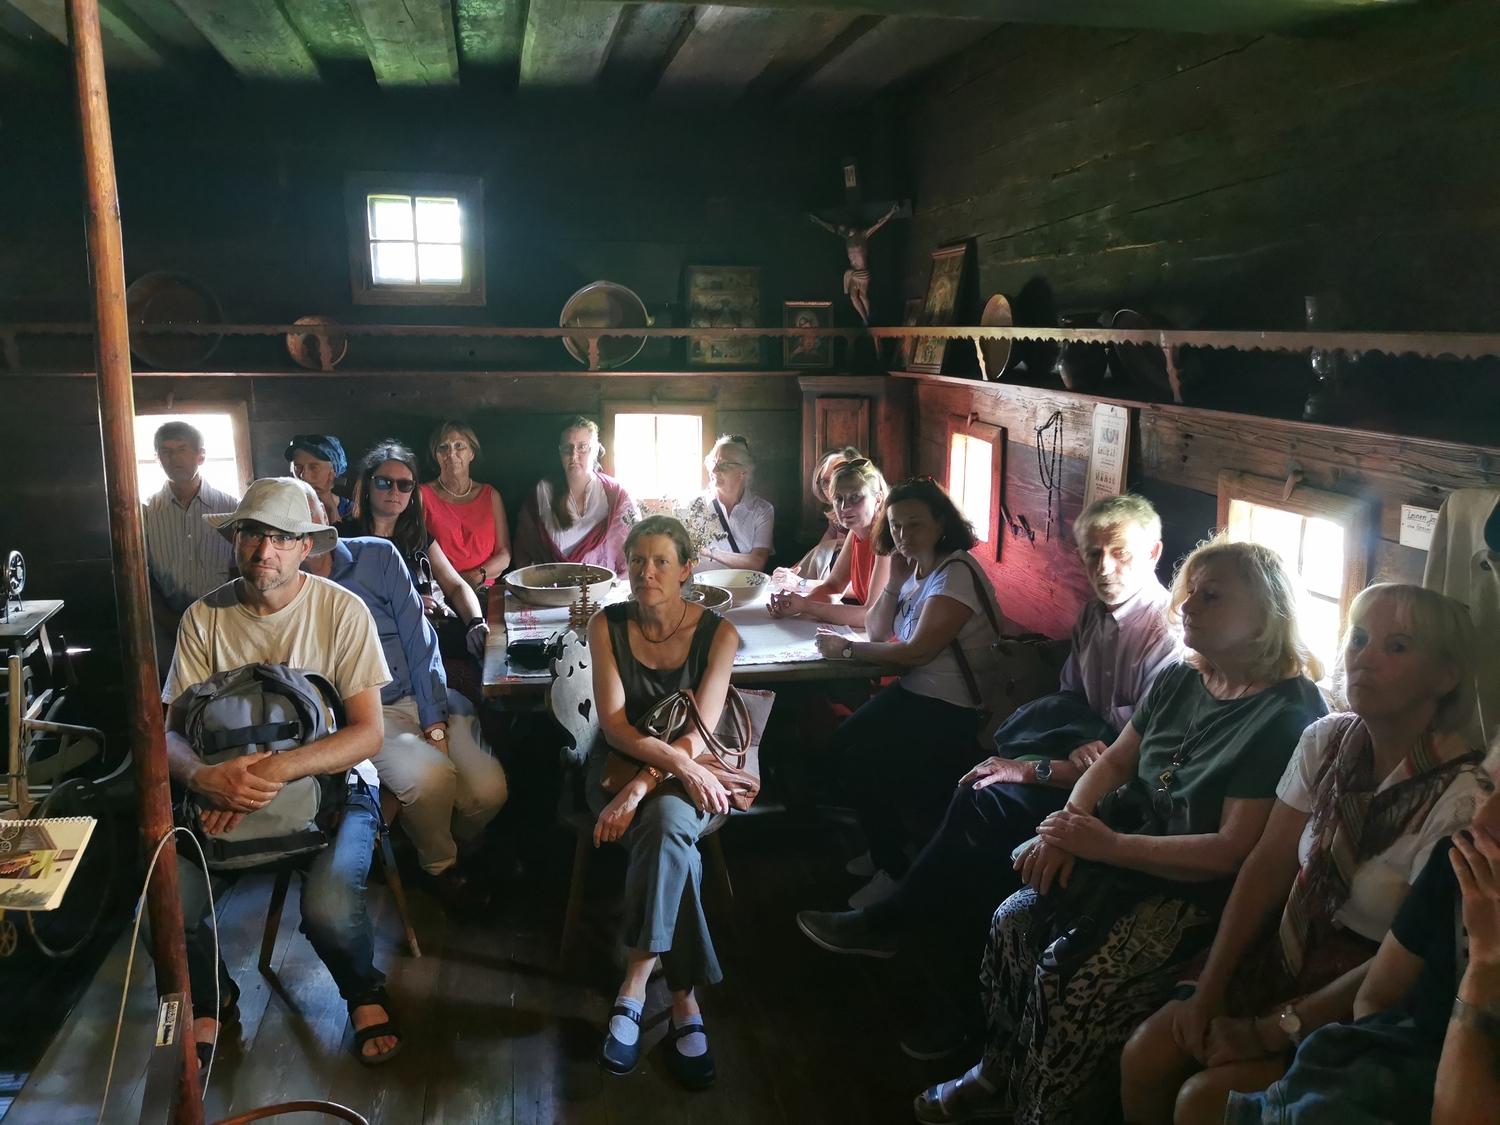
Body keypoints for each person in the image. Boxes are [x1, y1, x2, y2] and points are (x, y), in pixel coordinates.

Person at [914, 536, 1328, 1125]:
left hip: (1193, 889)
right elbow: (1112, 763)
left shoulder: (1287, 715)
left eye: (1211, 597)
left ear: (1266, 615)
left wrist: (1106, 845)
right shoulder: (1182, 677)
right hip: (1119, 847)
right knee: (1012, 923)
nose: (1188, 606)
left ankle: (1045, 1109)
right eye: (1190, 592)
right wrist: (1065, 829)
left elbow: (1231, 852)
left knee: (1070, 978)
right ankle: (997, 1068)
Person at [795, 493, 1183, 1059]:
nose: (1104, 567)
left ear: (1153, 553)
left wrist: (1043, 764)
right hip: (1076, 771)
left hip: (1124, 801)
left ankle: (925, 962)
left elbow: (1135, 765)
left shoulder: (1167, 639)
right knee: (969, 794)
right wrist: (1071, 745)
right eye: (1092, 554)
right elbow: (1069, 703)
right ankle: (913, 938)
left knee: (983, 822)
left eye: (1119, 553)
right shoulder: (1095, 616)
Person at [1120, 583, 1491, 1125]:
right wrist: (1209, 988)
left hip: (1363, 988)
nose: (1365, 658)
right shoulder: (1327, 740)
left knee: (1202, 1101)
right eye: (1358, 639)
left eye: (1396, 647)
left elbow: (1400, 964)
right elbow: (1267, 869)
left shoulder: (1462, 798)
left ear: (1445, 676)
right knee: (1145, 1055)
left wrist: (1270, 1031)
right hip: (1287, 944)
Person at [159, 477, 399, 1066]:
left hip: (332, 790)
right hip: (222, 793)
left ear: (305, 546)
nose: (264, 551)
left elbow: (368, 733)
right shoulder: (203, 618)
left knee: (328, 906)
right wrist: (203, 779)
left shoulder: (341, 610)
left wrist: (270, 772)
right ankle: (213, 997)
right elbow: (169, 734)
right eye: (252, 534)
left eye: (283, 538)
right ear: (235, 538)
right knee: (165, 902)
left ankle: (362, 992)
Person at [1219, 779, 1500, 1125]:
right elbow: (1374, 995)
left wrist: (1485, 965)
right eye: (1489, 786)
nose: (1482, 817)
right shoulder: (1456, 861)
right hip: (1399, 1067)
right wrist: (1375, 1076)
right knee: (1199, 1101)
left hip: (1457, 1099)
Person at [294, 480, 508, 916]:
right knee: (432, 778)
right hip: (367, 715)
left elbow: (420, 640)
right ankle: (440, 867)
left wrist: (434, 721)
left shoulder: (377, 556)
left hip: (424, 694)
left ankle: (432, 842)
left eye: (307, 527)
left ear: (326, 522)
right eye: (285, 534)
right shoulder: (290, 593)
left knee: (489, 791)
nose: (299, 541)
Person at [587, 515, 740, 1091]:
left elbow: (698, 735)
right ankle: (683, 998)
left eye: (660, 562)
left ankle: (634, 983)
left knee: (667, 818)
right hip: (619, 768)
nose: (646, 572)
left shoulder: (719, 633)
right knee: (673, 834)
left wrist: (642, 785)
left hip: (687, 771)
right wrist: (643, 779)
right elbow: (615, 726)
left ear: (686, 570)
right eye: (636, 561)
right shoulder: (606, 624)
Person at [810, 477, 1006, 909]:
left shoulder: (955, 573)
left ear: (941, 524)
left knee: (864, 762)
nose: (903, 534)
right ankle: (890, 845)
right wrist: (895, 582)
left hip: (957, 707)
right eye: (896, 525)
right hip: (917, 692)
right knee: (841, 746)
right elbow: (878, 631)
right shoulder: (915, 570)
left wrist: (846, 649)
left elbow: (918, 652)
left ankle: (894, 868)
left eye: (915, 524)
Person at [344, 441, 489, 668]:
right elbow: (338, 602)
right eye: (384, 482)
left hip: (431, 637)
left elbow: (456, 586)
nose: (394, 491)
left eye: (404, 485)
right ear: (367, 485)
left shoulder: (417, 537)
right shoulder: (343, 538)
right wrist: (405, 606)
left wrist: (475, 623)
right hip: (376, 648)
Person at [142, 420, 239, 675]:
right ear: (158, 458)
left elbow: (241, 568)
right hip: (166, 625)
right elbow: (141, 576)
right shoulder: (146, 513)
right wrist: (169, 620)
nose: (174, 458)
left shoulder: (231, 507)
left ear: (201, 456)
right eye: (166, 451)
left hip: (223, 621)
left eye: (182, 449)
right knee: (172, 688)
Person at [768, 456, 890, 628]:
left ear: (878, 499)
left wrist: (807, 607)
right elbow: (833, 587)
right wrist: (794, 607)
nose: (844, 507)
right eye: (839, 498)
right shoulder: (855, 533)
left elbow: (871, 615)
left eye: (856, 497)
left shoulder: (886, 539)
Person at [511, 416, 640, 578]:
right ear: (559, 452)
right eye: (567, 448)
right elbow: (525, 547)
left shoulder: (616, 494)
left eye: (582, 447)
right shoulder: (543, 492)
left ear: (596, 450)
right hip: (552, 587)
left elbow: (635, 547)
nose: (574, 455)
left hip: (605, 588)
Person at [420, 420, 511, 593]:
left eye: (459, 446)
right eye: (443, 447)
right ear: (436, 455)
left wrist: (475, 577)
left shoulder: (491, 496)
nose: (451, 453)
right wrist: (454, 585)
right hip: (440, 592)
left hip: (485, 589)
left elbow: (504, 554)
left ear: (471, 453)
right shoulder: (422, 495)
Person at [691, 434, 773, 572]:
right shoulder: (694, 505)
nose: (714, 471)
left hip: (740, 585)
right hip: (701, 585)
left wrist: (710, 552)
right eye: (713, 463)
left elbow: (757, 562)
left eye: (723, 465)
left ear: (744, 471)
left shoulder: (762, 510)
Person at [780, 446, 861, 585]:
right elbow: (817, 554)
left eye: (839, 478)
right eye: (826, 482)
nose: (832, 488)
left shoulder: (869, 521)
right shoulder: (835, 519)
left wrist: (802, 583)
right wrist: (787, 574)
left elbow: (862, 587)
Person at [285, 433, 352, 520]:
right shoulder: (284, 506)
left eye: (313, 467)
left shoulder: (351, 511)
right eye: (298, 467)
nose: (303, 475)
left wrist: (330, 506)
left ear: (334, 471)